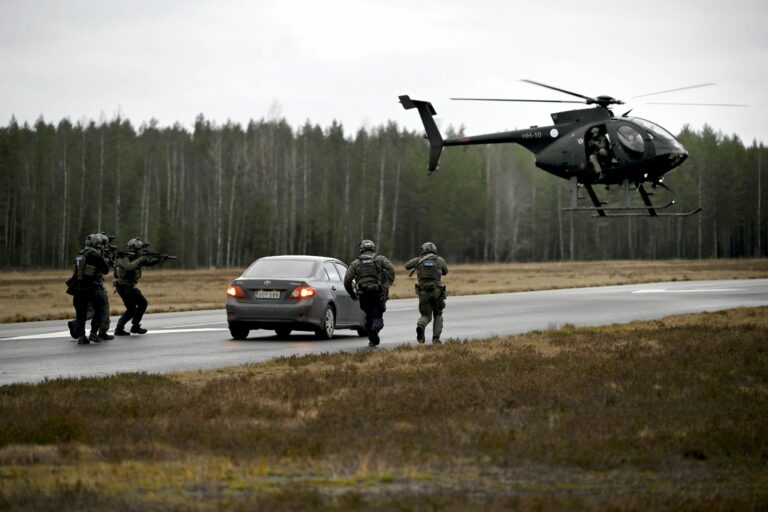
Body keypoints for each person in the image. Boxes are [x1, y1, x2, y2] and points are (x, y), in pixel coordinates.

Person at [343, 239, 395, 347]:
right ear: (373, 248)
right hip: (377, 292)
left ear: (361, 249)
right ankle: (375, 329)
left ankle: (372, 340)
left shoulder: (355, 263)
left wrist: (352, 294)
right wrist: (387, 284)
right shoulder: (380, 259)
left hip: (363, 294)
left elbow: (347, 281)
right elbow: (391, 269)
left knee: (369, 316)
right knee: (377, 316)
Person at [67, 233, 114, 342]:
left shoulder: (81, 254)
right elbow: (105, 270)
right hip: (91, 287)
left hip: (78, 287)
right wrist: (107, 259)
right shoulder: (94, 254)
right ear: (96, 244)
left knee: (81, 312)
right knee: (100, 308)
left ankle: (82, 337)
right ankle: (93, 333)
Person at [113, 237, 163, 336]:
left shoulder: (134, 257)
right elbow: (129, 267)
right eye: (139, 249)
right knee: (143, 303)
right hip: (125, 287)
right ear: (134, 248)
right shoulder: (124, 257)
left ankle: (120, 328)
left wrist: (158, 260)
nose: (140, 251)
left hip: (126, 287)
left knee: (131, 309)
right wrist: (141, 258)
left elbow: (147, 263)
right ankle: (134, 327)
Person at [405, 242, 449, 344]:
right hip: (437, 292)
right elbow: (445, 271)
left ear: (423, 251)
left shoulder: (418, 260)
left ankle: (421, 326)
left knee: (425, 315)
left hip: (423, 292)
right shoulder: (439, 260)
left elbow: (407, 266)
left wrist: (419, 260)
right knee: (438, 314)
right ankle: (436, 339)